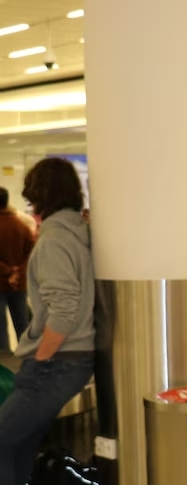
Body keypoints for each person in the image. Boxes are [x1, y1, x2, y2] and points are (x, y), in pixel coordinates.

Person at [0, 158, 95, 485]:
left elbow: (64, 308)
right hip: (71, 360)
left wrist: (41, 357)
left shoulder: (55, 240)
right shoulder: (80, 232)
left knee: (4, 442)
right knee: (19, 444)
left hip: (55, 362)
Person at [0, 187, 35, 352]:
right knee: (22, 324)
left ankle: (5, 366)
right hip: (19, 284)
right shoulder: (21, 225)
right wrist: (18, 272)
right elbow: (31, 253)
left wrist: (7, 272)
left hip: (0, 283)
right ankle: (27, 360)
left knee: (0, 330)